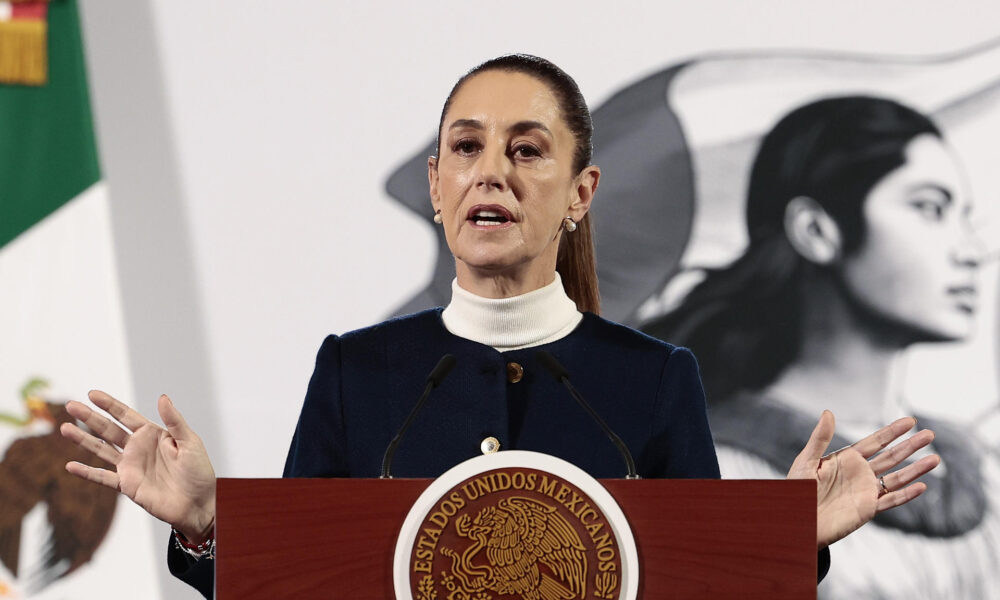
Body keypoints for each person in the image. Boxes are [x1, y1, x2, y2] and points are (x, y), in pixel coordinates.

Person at [59, 57, 938, 599]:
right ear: (438, 184)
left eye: (526, 150)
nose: (494, 173)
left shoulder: (654, 377)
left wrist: (784, 543)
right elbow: (300, 583)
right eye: (468, 149)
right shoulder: (357, 372)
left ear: (580, 194)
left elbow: (695, 588)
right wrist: (208, 523)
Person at [643, 96, 994, 598]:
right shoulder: (714, 471)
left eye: (964, 216)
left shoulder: (984, 466)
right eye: (930, 208)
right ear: (816, 230)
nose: (972, 252)